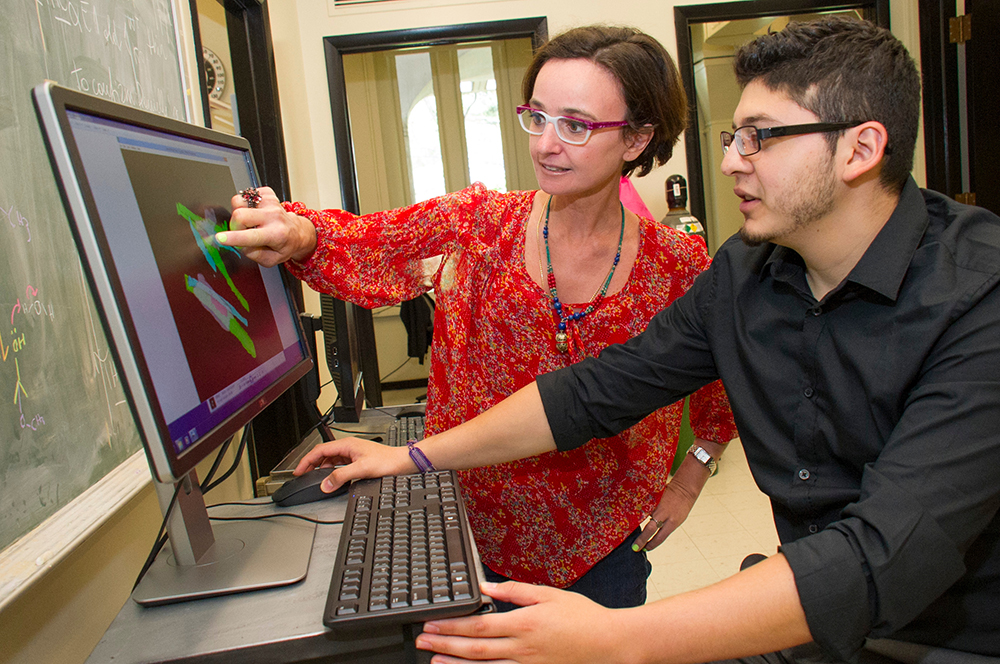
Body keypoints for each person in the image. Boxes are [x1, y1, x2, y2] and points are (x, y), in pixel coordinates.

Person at [288, 16, 1000, 664]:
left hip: (945, 633)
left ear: (861, 149)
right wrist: (412, 456)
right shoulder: (747, 275)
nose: (729, 163)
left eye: (760, 137)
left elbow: (882, 555)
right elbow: (596, 392)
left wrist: (610, 636)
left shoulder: (980, 296)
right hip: (814, 616)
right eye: (733, 136)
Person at [218, 25, 737, 610]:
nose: (545, 144)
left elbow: (717, 383)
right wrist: (298, 231)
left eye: (576, 125)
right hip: (470, 529)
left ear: (638, 138)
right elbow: (372, 242)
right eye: (537, 117)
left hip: (604, 546)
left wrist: (690, 480)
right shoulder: (481, 225)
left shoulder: (679, 263)